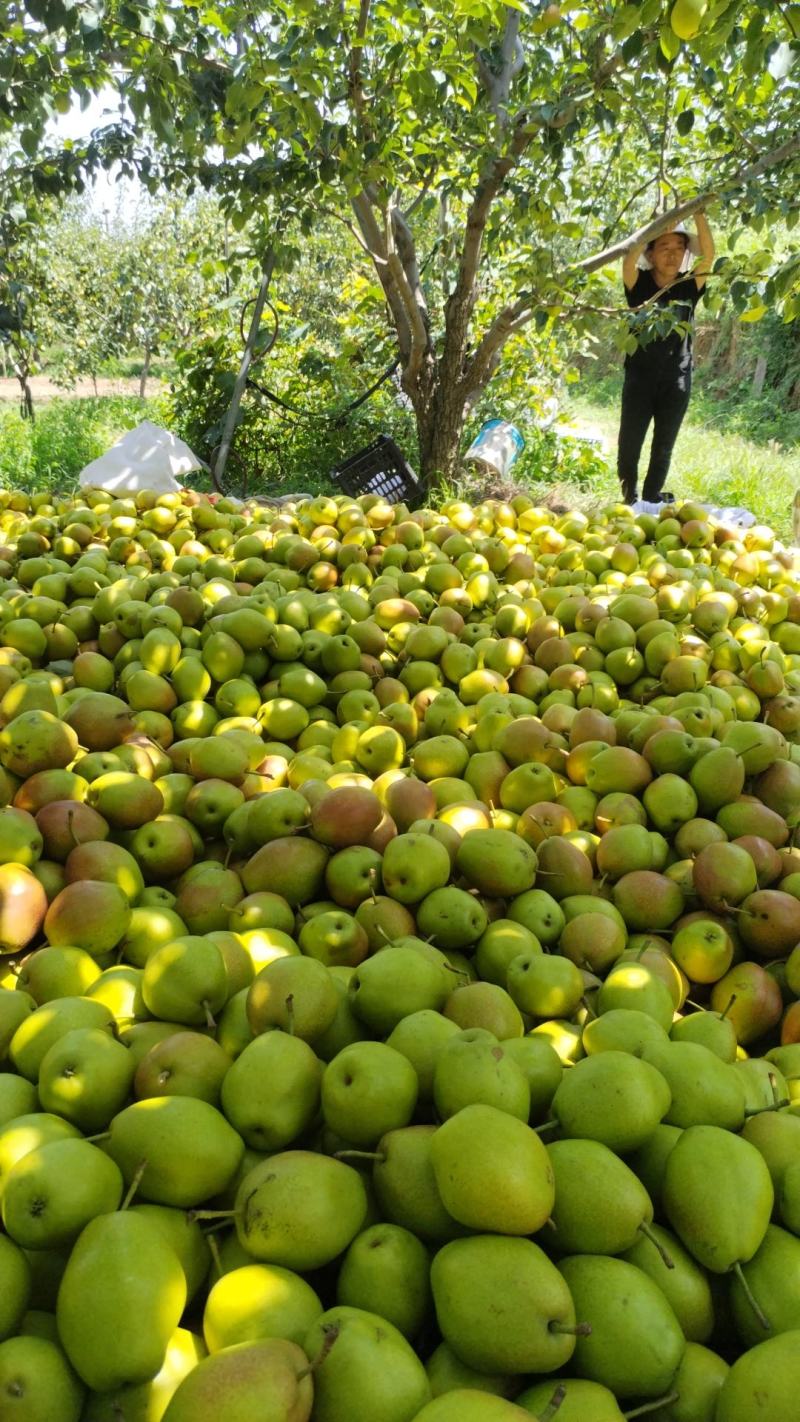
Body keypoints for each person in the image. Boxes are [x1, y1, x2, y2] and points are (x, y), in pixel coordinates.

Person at [617, 209, 715, 505]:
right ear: (651, 252)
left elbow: (709, 257)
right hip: (639, 379)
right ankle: (629, 498)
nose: (672, 255)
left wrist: (699, 210)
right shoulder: (639, 283)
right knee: (629, 444)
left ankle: (650, 498)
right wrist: (655, 226)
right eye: (664, 247)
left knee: (663, 446)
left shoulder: (689, 284)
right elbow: (627, 259)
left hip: (677, 380)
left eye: (679, 248)